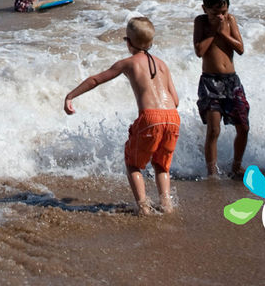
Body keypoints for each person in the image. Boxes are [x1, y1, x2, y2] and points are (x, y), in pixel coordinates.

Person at [64, 17, 180, 215]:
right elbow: (175, 100)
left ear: (128, 42)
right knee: (162, 165)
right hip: (172, 118)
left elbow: (95, 80)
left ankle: (144, 207)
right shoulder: (162, 65)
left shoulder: (128, 63)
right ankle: (166, 205)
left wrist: (70, 96)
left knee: (133, 164)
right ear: (151, 43)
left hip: (150, 118)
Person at [194, 0, 249, 178]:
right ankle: (211, 172)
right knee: (214, 129)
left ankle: (236, 165)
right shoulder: (201, 22)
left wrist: (224, 32)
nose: (220, 16)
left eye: (223, 12)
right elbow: (200, 51)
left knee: (243, 126)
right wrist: (213, 31)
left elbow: (240, 49)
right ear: (205, 9)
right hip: (210, 81)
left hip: (231, 81)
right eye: (215, 13)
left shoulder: (230, 20)